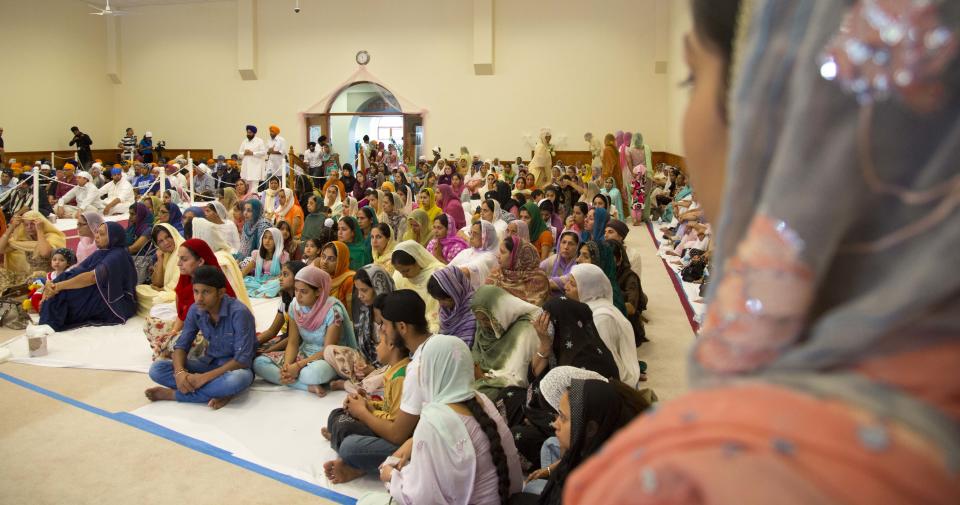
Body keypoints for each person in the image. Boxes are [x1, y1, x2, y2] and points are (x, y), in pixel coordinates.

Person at [356, 334, 524, 505]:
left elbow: (420, 498)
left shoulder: (433, 420)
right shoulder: (482, 400)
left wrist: (391, 476)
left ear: (434, 369)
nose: (419, 371)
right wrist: (414, 442)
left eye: (423, 364)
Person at [504, 298, 622, 471]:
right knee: (509, 395)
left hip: (572, 426)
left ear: (561, 321)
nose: (542, 325)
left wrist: (538, 418)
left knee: (518, 437)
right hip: (548, 408)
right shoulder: (561, 343)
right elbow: (533, 377)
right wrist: (544, 346)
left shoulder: (591, 361)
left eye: (546, 320)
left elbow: (581, 416)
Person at [322, 294, 410, 483]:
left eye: (379, 342)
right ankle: (340, 439)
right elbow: (386, 407)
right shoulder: (392, 372)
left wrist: (364, 411)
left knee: (349, 445)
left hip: (396, 436)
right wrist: (366, 404)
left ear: (392, 344)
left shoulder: (401, 377)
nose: (376, 347)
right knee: (336, 415)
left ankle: (351, 461)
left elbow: (395, 426)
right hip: (384, 423)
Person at [525, 378, 652, 504]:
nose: (554, 424)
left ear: (590, 428)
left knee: (529, 488)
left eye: (563, 418)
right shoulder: (601, 443)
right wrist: (552, 468)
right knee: (549, 444)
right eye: (558, 415)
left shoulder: (593, 489)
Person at [145, 265, 256, 410]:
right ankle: (220, 392)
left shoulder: (239, 313)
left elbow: (242, 360)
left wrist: (203, 378)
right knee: (157, 369)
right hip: (208, 364)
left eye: (206, 292)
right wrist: (180, 373)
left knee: (235, 381)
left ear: (221, 292)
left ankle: (174, 395)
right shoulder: (196, 309)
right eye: (196, 292)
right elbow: (181, 346)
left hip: (234, 368)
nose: (199, 298)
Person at [253, 266, 356, 396]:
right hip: (304, 352)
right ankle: (305, 386)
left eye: (304, 291)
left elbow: (327, 350)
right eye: (296, 290)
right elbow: (293, 343)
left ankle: (303, 380)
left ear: (318, 291)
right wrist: (287, 366)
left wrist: (298, 366)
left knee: (311, 374)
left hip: (327, 358)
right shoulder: (295, 306)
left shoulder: (333, 312)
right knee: (259, 363)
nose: (298, 296)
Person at [39, 222, 137, 331]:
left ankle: (49, 322)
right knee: (66, 278)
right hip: (100, 291)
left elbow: (92, 278)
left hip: (113, 303)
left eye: (102, 234)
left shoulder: (118, 254)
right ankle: (49, 317)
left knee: (65, 295)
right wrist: (52, 283)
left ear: (114, 237)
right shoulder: (101, 252)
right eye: (97, 232)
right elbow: (78, 269)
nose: (97, 236)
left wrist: (58, 286)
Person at [567, 263, 640, 387]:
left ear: (587, 288)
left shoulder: (601, 319)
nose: (566, 287)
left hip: (612, 382)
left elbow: (606, 362)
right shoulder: (587, 307)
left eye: (572, 284)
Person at [322, 264, 395, 387]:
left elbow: (398, 353)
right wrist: (361, 363)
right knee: (329, 351)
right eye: (358, 290)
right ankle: (362, 382)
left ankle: (354, 385)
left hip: (389, 364)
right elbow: (362, 346)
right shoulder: (365, 311)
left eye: (364, 290)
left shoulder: (395, 312)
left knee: (388, 376)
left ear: (378, 288)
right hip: (370, 361)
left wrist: (373, 369)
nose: (360, 295)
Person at [470, 285, 539, 400]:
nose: (482, 324)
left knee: (478, 395)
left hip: (503, 384)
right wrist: (473, 367)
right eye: (479, 319)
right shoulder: (484, 326)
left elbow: (517, 377)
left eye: (486, 319)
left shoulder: (525, 330)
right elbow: (476, 352)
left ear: (500, 313)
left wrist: (484, 378)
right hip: (480, 375)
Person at [390, 240, 444, 333]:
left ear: (418, 261)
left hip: (434, 322)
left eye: (406, 270)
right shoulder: (398, 276)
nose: (403, 275)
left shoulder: (438, 274)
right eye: (400, 271)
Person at [135, 224, 185, 316]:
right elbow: (157, 282)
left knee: (162, 299)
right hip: (165, 291)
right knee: (139, 289)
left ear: (173, 234)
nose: (166, 242)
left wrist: (160, 289)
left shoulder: (183, 250)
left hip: (180, 295)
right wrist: (160, 259)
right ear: (157, 245)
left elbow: (179, 284)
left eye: (168, 237)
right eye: (161, 241)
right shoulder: (166, 253)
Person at [486, 235, 550, 306]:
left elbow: (531, 310)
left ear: (516, 256)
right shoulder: (497, 273)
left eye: (503, 252)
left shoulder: (538, 280)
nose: (498, 256)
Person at [0, 211, 66, 274]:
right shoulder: (24, 239)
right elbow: (1, 249)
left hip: (52, 276)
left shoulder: (52, 236)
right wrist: (11, 227)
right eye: (26, 225)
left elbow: (45, 253)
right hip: (33, 276)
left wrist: (40, 230)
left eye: (32, 224)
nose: (29, 227)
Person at [426, 266, 476, 346]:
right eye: (438, 300)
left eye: (444, 299)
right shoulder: (446, 310)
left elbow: (463, 347)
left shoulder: (472, 312)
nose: (441, 304)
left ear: (456, 292)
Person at [610, 239, 647, 346]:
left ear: (618, 260)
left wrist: (606, 304)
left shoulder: (630, 277)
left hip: (625, 326)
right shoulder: (598, 272)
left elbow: (631, 308)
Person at [242, 227, 288, 297]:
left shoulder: (282, 255)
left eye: (271, 238)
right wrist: (237, 279)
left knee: (278, 283)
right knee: (244, 281)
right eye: (265, 237)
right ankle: (262, 291)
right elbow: (245, 271)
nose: (267, 241)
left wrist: (272, 280)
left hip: (273, 282)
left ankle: (259, 291)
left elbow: (284, 274)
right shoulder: (257, 254)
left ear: (277, 240)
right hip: (258, 281)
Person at [317, 241, 356, 314]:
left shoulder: (349, 280)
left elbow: (352, 314)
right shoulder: (321, 276)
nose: (325, 262)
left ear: (340, 261)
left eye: (331, 259)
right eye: (323, 256)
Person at [540, 231, 579, 297]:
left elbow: (563, 281)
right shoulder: (555, 258)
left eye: (571, 244)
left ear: (577, 247)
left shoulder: (579, 264)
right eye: (563, 242)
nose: (566, 247)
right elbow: (537, 270)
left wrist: (540, 282)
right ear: (559, 243)